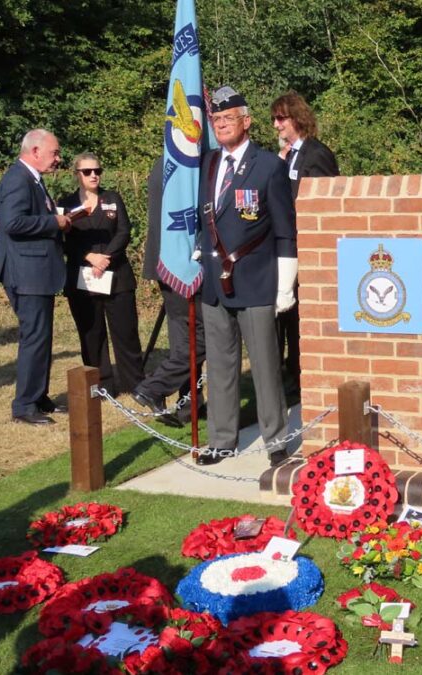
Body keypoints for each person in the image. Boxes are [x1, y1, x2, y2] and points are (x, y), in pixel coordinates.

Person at [198, 86, 297, 467]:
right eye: (216, 120)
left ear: (246, 121)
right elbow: (204, 218)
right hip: (214, 282)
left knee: (265, 366)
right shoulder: (208, 163)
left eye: (228, 119)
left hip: (256, 279)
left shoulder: (269, 165)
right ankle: (222, 439)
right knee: (220, 366)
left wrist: (285, 283)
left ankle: (276, 439)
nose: (221, 125)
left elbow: (285, 229)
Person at [0, 129, 70, 425]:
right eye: (54, 153)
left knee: (41, 336)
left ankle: (38, 396)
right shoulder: (18, 179)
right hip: (26, 272)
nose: (58, 159)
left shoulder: (31, 180)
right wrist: (54, 222)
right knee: (34, 337)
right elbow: (12, 222)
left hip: (36, 270)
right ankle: (24, 405)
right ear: (35, 151)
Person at [57, 153, 143, 396]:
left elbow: (124, 231)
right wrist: (89, 256)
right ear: (77, 175)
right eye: (87, 171)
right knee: (91, 334)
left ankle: (135, 384)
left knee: (126, 333)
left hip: (117, 276)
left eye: (97, 170)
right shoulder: (65, 204)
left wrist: (106, 257)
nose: (93, 175)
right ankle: (101, 385)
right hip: (83, 280)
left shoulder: (112, 198)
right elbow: (63, 241)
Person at [271, 92, 339, 397]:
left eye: (281, 118)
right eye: (274, 119)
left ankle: (300, 378)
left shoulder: (316, 154)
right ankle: (284, 375)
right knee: (282, 315)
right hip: (281, 248)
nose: (275, 125)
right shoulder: (285, 156)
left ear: (297, 118)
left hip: (308, 250)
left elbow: (327, 205)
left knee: (300, 318)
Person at [131, 155, 201, 429]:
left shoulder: (165, 161)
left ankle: (187, 404)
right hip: (181, 264)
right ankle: (155, 388)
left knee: (184, 341)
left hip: (169, 264)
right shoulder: (185, 164)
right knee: (201, 339)